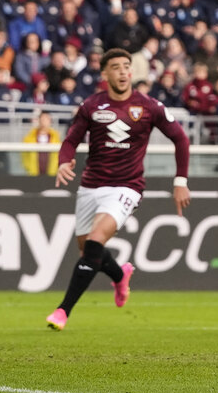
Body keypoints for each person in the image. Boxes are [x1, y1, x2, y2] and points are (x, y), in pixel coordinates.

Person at [46, 49, 192, 331]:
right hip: (90, 186)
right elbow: (70, 140)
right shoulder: (91, 105)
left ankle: (62, 311)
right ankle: (118, 274)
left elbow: (181, 139)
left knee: (95, 241)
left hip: (127, 186)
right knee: (88, 252)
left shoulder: (149, 106)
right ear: (105, 74)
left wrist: (180, 181)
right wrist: (64, 162)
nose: (124, 72)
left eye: (127, 67)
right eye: (116, 67)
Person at [22, 110, 60, 176]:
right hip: (34, 174)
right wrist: (28, 168)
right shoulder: (30, 137)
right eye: (42, 119)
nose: (44, 122)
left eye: (46, 119)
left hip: (51, 174)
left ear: (50, 121)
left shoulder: (55, 137)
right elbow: (25, 155)